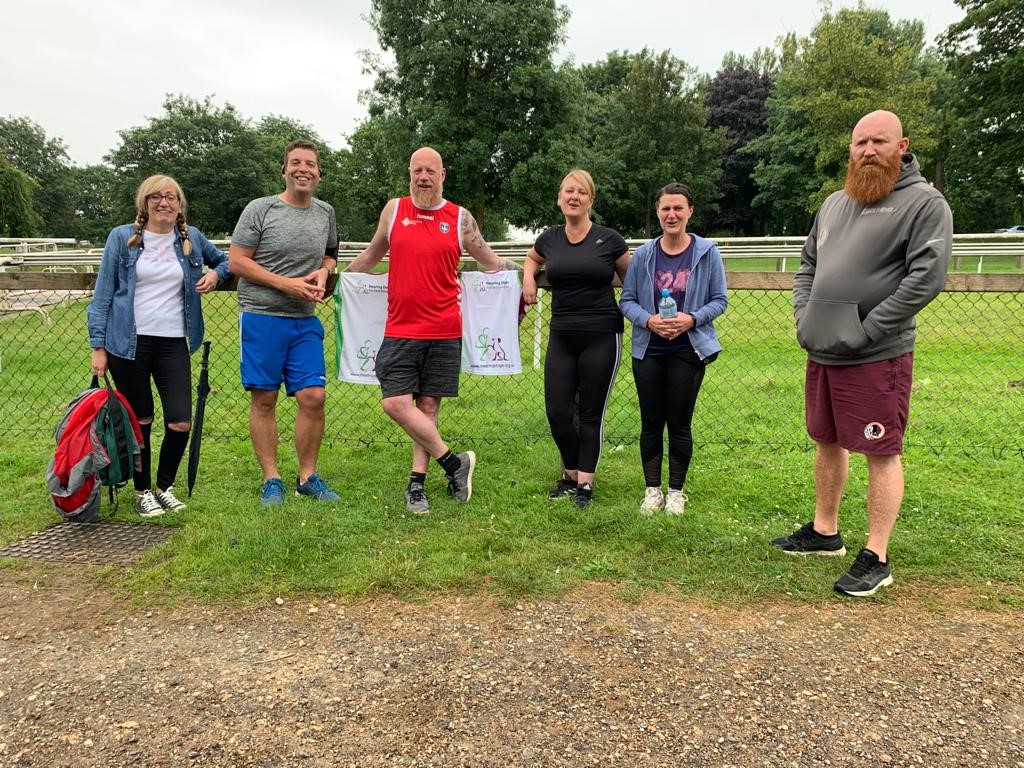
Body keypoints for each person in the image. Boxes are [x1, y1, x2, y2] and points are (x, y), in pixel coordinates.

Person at [771, 110, 953, 597]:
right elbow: (808, 264)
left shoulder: (923, 203)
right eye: (859, 143)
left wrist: (868, 329)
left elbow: (926, 278)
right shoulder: (834, 204)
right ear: (849, 150)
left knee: (880, 448)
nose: (868, 150)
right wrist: (805, 316)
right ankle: (825, 531)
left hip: (878, 355)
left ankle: (877, 555)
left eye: (879, 141)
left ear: (902, 145)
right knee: (826, 439)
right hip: (824, 349)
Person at [346, 146, 517, 514]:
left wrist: (526, 275)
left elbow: (491, 261)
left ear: (443, 175)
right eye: (417, 170)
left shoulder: (460, 218)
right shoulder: (394, 211)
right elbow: (372, 255)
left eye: (430, 171)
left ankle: (417, 485)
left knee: (427, 407)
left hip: (443, 328)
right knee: (395, 402)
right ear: (409, 173)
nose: (423, 177)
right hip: (400, 328)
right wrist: (338, 280)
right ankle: (454, 463)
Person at [88, 175, 230, 517]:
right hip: (127, 344)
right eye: (156, 197)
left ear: (180, 205)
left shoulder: (191, 239)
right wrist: (98, 346)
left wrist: (215, 275)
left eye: (171, 197)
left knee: (180, 420)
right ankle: (142, 491)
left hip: (173, 342)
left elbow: (226, 261)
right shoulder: (122, 238)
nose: (164, 203)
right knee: (142, 420)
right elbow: (103, 294)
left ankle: (165, 486)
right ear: (144, 203)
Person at [228, 139, 340, 506]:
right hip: (262, 316)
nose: (302, 169)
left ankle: (307, 476)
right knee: (265, 398)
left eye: (310, 163)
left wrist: (324, 273)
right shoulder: (260, 210)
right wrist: (286, 285)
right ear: (284, 170)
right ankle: (271, 478)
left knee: (314, 396)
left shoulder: (325, 213)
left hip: (303, 319)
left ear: (319, 174)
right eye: (295, 162)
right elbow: (238, 262)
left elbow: (330, 255)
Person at [522, 170, 630, 508]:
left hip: (602, 334)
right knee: (557, 411)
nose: (574, 196)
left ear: (590, 200)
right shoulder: (549, 239)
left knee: (590, 413)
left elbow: (631, 279)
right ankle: (569, 473)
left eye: (581, 192)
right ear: (559, 198)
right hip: (562, 335)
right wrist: (528, 279)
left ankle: (584, 484)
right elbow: (532, 258)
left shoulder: (609, 239)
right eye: (569, 190)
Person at [620, 182, 728, 516]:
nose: (672, 214)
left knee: (680, 422)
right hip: (649, 348)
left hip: (688, 348)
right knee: (651, 421)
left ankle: (676, 492)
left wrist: (691, 319)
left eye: (678, 208)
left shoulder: (707, 253)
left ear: (690, 211)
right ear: (657, 212)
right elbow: (628, 301)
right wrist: (649, 321)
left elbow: (719, 300)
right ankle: (652, 490)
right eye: (666, 208)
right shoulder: (644, 254)